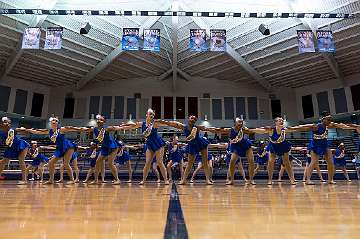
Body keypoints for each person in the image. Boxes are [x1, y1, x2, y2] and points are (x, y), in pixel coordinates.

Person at [74, 115, 132, 184]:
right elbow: (83, 129)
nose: (99, 121)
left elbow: (120, 128)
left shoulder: (107, 128)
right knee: (97, 162)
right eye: (98, 119)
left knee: (110, 163)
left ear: (104, 122)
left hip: (112, 147)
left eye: (101, 120)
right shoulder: (94, 129)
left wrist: (131, 126)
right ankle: (96, 180)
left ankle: (117, 179)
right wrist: (73, 129)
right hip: (104, 147)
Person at [20, 116, 79, 184]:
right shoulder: (49, 131)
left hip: (67, 146)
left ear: (58, 123)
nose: (54, 121)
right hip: (59, 148)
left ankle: (72, 180)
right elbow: (37, 132)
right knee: (51, 163)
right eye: (53, 120)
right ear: (50, 122)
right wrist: (26, 130)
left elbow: (75, 128)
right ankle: (51, 180)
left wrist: (87, 129)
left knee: (66, 164)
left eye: (56, 120)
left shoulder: (62, 129)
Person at [159, 115, 214, 185]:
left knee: (205, 162)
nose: (193, 119)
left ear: (195, 121)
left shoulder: (196, 127)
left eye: (195, 119)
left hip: (201, 143)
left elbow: (192, 136)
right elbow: (172, 123)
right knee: (190, 164)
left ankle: (207, 180)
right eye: (192, 118)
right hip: (192, 145)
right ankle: (183, 180)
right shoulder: (184, 126)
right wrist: (163, 122)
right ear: (188, 118)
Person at [250, 117, 300, 185]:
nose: (281, 121)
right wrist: (251, 130)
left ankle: (292, 179)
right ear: (276, 122)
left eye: (282, 120)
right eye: (280, 120)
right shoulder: (271, 130)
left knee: (287, 163)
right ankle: (270, 180)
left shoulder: (284, 129)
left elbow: (295, 129)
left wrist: (303, 127)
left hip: (283, 145)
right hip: (273, 146)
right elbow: (261, 131)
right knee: (270, 162)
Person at [125, 109, 169, 185]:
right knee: (147, 162)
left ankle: (166, 180)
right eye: (150, 114)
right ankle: (143, 180)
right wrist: (124, 126)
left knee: (159, 162)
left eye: (153, 115)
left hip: (158, 143)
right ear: (146, 115)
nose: (151, 115)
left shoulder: (155, 123)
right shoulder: (142, 124)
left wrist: (172, 124)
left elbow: (166, 124)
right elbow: (132, 126)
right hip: (149, 144)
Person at [209, 118, 256, 185]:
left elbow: (254, 131)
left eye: (241, 122)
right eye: (239, 122)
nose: (241, 123)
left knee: (251, 161)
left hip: (246, 146)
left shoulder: (244, 129)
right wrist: (207, 129)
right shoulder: (230, 130)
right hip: (236, 147)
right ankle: (231, 180)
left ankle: (251, 180)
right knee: (232, 162)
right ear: (235, 123)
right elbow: (217, 130)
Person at [0, 117, 30, 184]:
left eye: (8, 122)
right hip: (11, 148)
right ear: (1, 124)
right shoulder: (1, 132)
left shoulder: (13, 130)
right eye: (5, 121)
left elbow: (21, 130)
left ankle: (24, 180)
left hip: (21, 145)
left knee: (21, 160)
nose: (7, 123)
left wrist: (24, 129)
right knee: (3, 162)